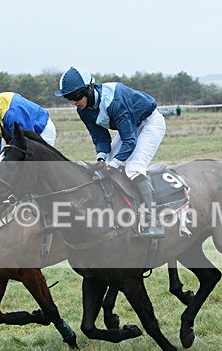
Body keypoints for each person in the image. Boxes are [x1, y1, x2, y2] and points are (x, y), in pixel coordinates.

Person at [55, 66, 167, 238]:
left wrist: (113, 165)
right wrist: (102, 159)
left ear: (89, 89)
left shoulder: (115, 101)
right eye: (68, 98)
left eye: (76, 96)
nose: (73, 102)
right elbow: (101, 138)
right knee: (106, 165)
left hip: (150, 123)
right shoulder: (83, 110)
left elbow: (129, 141)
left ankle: (154, 222)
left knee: (133, 168)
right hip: (131, 125)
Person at [0, 73, 57, 171]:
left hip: (40, 130)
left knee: (33, 168)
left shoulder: (11, 113)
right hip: (17, 135)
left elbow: (28, 143)